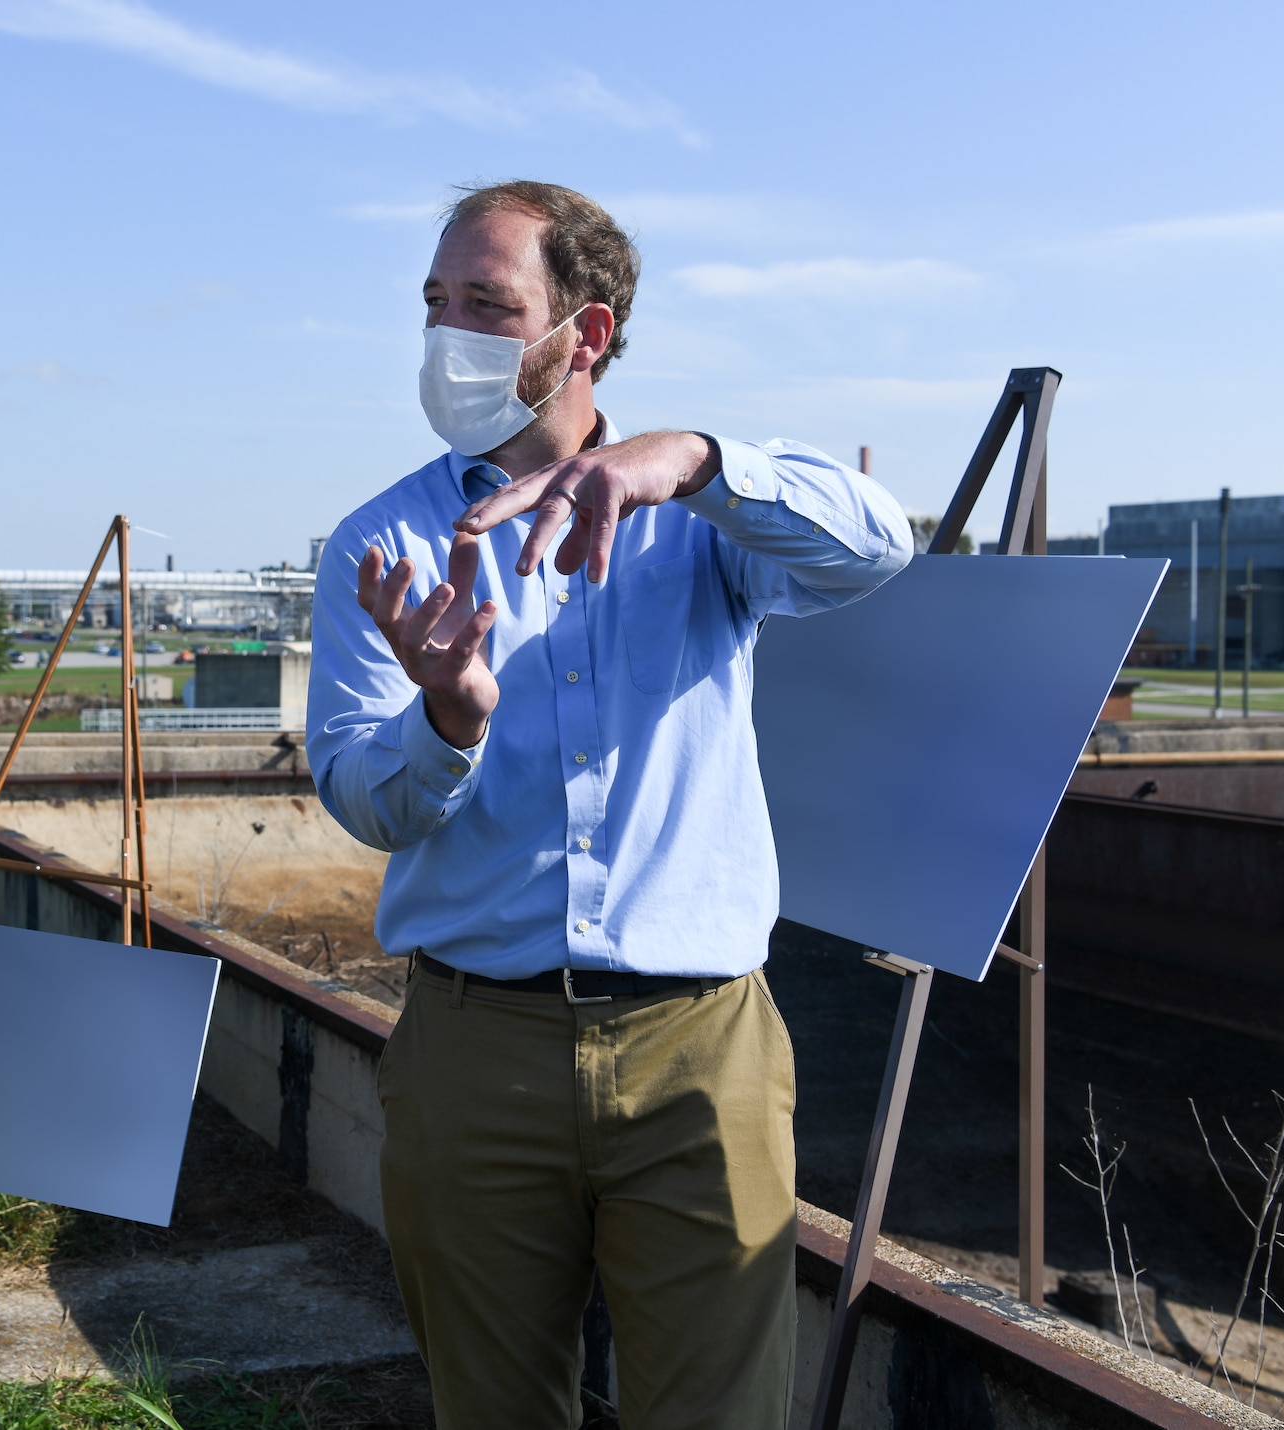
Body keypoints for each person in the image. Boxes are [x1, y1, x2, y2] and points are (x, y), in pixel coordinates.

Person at [306, 181, 913, 1429]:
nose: (446, 335)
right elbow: (361, 796)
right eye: (434, 303)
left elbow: (877, 543)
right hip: (475, 1049)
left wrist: (688, 459)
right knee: (490, 1407)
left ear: (581, 334)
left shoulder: (704, 524)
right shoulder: (382, 546)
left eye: (487, 305)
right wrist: (446, 723)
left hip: (700, 1051)